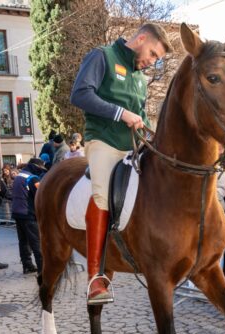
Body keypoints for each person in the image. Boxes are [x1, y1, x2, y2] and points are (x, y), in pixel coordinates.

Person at [70, 23, 172, 303]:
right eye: (152, 53)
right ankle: (95, 278)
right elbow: (79, 94)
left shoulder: (139, 79)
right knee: (102, 194)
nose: (153, 62)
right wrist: (120, 113)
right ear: (140, 39)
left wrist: (156, 138)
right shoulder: (102, 56)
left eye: (157, 59)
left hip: (133, 145)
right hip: (103, 141)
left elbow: (140, 117)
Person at [11, 158, 47, 274]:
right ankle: (42, 270)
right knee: (37, 243)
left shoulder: (19, 176)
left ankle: (27, 265)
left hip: (17, 214)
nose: (40, 171)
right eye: (40, 168)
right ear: (35, 166)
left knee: (23, 242)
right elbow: (41, 196)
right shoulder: (32, 178)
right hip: (28, 215)